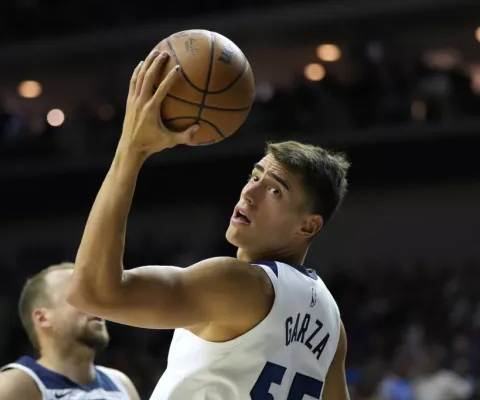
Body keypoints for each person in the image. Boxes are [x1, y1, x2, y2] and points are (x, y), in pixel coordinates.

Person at [67, 49, 351, 400]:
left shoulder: (238, 282)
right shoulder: (332, 323)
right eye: (254, 176)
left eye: (275, 190)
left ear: (308, 226)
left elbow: (92, 292)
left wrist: (132, 148)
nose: (249, 193)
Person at [0, 263, 140, 400]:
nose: (95, 305)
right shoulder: (6, 389)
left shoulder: (121, 384)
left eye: (94, 296)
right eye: (81, 297)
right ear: (42, 318)